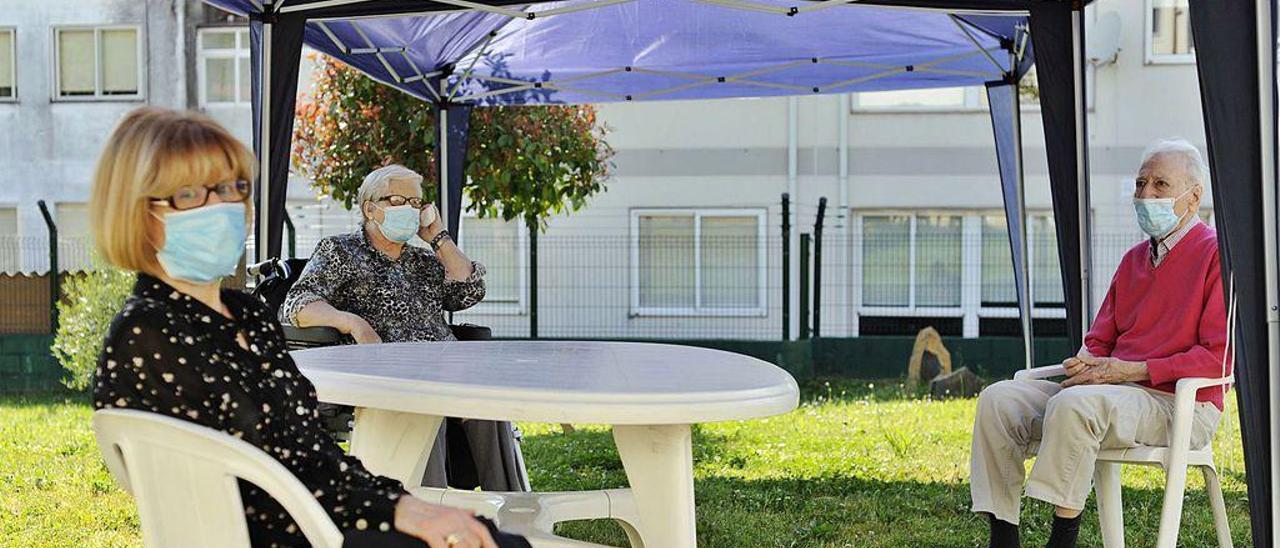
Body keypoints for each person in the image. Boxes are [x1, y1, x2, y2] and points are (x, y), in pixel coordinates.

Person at [90, 107, 529, 548]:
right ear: (138, 214)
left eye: (230, 188)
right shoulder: (147, 333)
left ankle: (515, 508)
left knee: (497, 537)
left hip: (331, 506)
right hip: (295, 530)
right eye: (188, 194)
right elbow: (223, 494)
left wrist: (403, 506)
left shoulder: (246, 315)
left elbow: (311, 452)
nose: (220, 207)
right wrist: (399, 514)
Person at [969, 138, 1228, 548]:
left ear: (1193, 197)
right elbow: (1099, 341)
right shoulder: (1131, 261)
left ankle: (1063, 538)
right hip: (1114, 394)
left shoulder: (1217, 255)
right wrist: (1087, 364)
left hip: (1180, 404)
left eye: (1160, 184)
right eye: (1140, 183)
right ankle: (1004, 536)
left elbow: (1219, 358)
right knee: (999, 400)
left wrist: (1136, 370)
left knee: (1076, 404)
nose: (1145, 194)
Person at [280, 165, 524, 492]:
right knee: (426, 405)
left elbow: (470, 290)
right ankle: (433, 509)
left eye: (416, 203)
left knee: (489, 404)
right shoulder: (339, 251)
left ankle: (513, 507)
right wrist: (353, 322)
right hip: (389, 376)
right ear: (370, 208)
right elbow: (297, 303)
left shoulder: (423, 261)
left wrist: (438, 237)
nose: (409, 209)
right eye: (398, 199)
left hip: (446, 368)